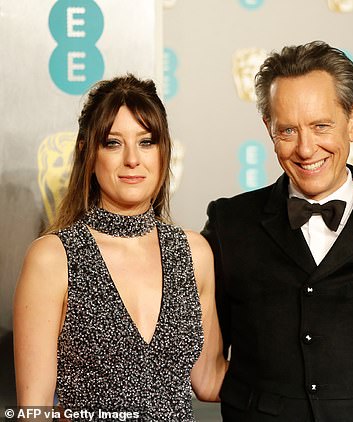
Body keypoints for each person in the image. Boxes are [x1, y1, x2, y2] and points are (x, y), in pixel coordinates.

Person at [201, 40, 353, 422]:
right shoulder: (231, 223)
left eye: (321, 126)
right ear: (268, 129)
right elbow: (202, 355)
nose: (306, 148)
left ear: (352, 121)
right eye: (288, 131)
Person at [13, 74, 227, 420]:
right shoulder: (53, 259)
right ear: (88, 153)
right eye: (113, 143)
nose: (132, 159)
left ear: (164, 151)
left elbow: (208, 378)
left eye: (146, 142)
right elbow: (33, 410)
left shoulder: (193, 253)